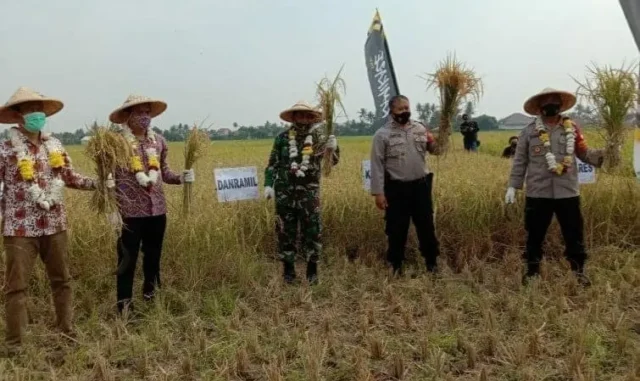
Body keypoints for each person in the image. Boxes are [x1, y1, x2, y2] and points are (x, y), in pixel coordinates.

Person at [0, 87, 114, 354]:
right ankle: (15, 343)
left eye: (38, 108)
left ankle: (67, 331)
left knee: (62, 280)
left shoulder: (55, 145)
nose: (35, 113)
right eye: (29, 109)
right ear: (18, 114)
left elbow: (69, 177)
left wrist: (99, 184)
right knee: (16, 287)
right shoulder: (5, 150)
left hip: (55, 224)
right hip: (19, 227)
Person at [505, 88, 604, 286]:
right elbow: (520, 161)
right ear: (540, 107)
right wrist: (513, 186)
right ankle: (532, 271)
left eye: (554, 102)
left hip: (567, 192)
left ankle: (579, 272)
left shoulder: (572, 129)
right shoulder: (529, 132)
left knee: (574, 233)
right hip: (538, 192)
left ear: (560, 106)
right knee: (534, 234)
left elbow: (584, 153)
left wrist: (607, 154)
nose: (551, 106)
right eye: (547, 102)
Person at [108, 95, 195, 314]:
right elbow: (107, 176)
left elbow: (163, 171)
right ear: (127, 116)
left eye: (148, 112)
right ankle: (124, 304)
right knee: (127, 258)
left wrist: (181, 178)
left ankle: (151, 294)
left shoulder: (159, 141)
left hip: (157, 209)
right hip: (128, 211)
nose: (145, 116)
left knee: (154, 255)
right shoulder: (116, 143)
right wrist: (111, 208)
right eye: (140, 112)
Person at [263, 101, 339, 285]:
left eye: (307, 115)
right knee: (285, 231)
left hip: (309, 194)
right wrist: (269, 185)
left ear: (313, 118)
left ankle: (312, 270)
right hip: (284, 194)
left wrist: (332, 148)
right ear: (294, 117)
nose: (303, 119)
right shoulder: (282, 138)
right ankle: (288, 270)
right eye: (300, 115)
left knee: (312, 231)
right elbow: (272, 164)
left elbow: (332, 163)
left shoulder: (320, 138)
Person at [370, 95, 441, 276]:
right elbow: (376, 165)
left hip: (421, 187)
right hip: (396, 189)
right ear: (391, 111)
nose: (405, 112)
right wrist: (378, 193)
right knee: (396, 229)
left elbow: (437, 151)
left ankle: (432, 263)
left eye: (407, 108)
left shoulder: (420, 129)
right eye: (400, 109)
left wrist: (440, 138)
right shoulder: (382, 135)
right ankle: (396, 266)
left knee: (426, 227)